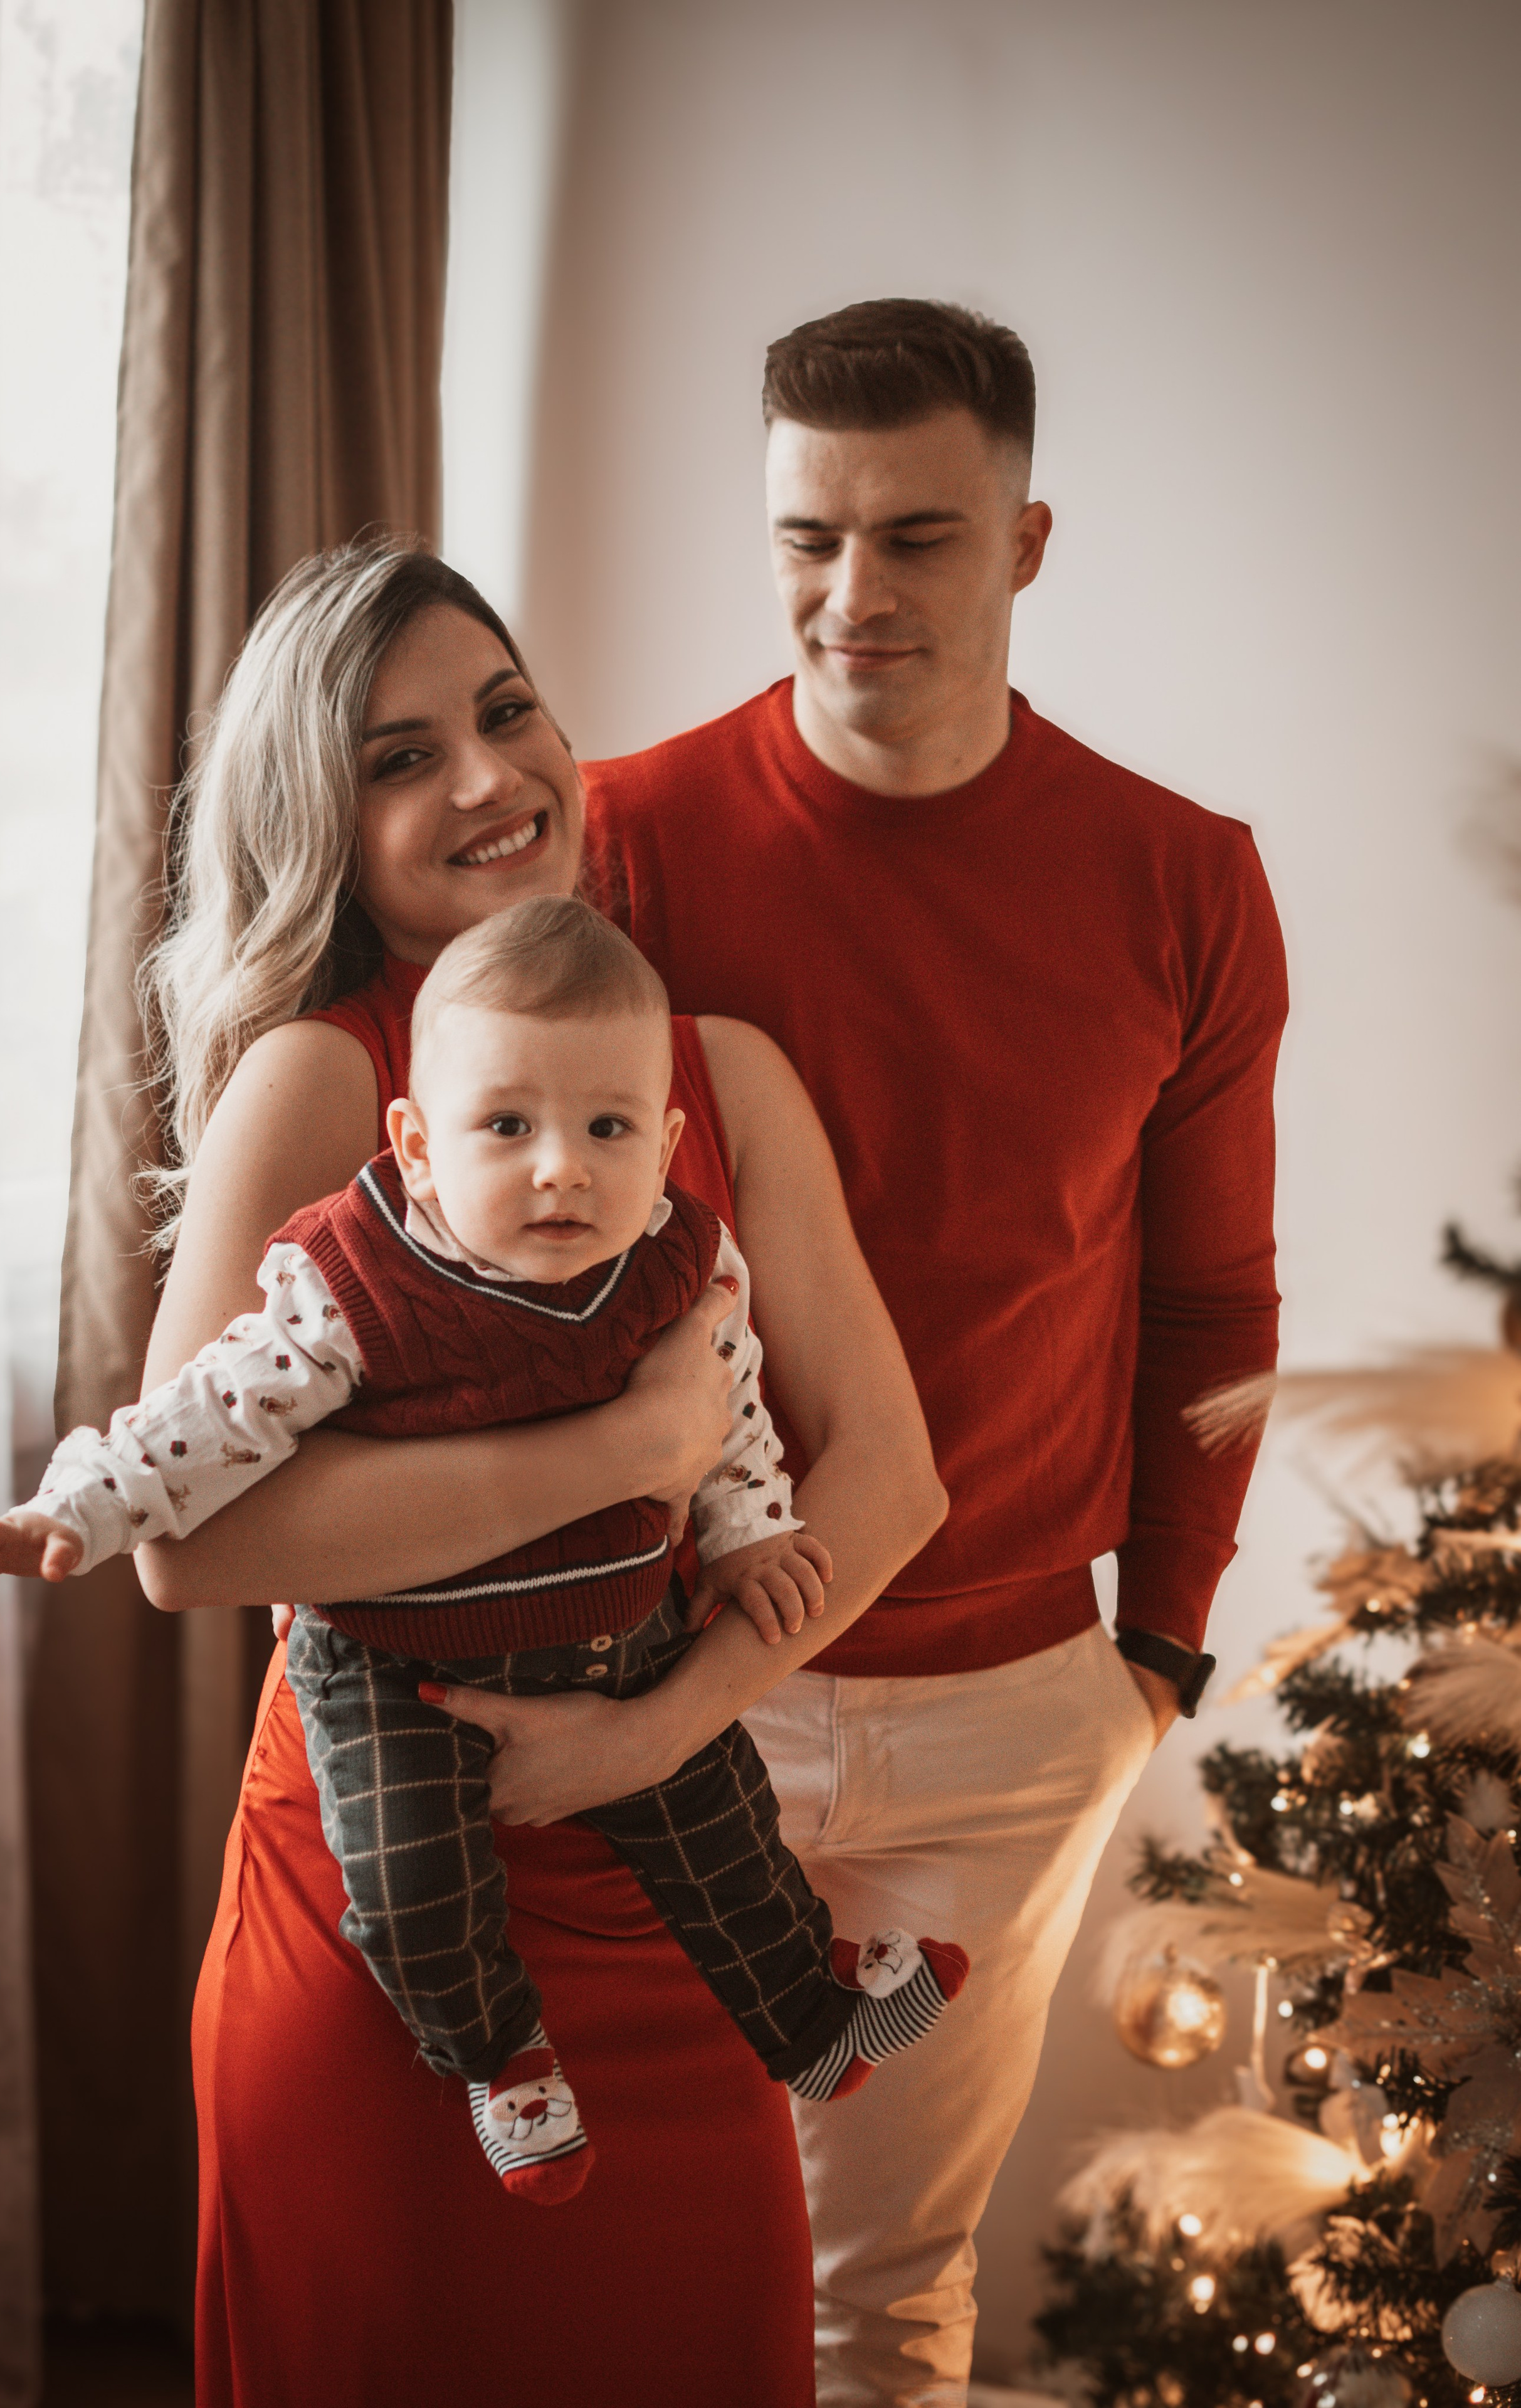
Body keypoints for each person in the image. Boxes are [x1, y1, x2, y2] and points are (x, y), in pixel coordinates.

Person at [91, 536, 947, 2407]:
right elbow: (187, 1550)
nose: (487, 779)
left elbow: (889, 1480)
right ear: (326, 822)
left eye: (503, 711)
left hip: (680, 1906)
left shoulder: (721, 1071)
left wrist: (668, 1726)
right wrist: (632, 1447)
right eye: (401, 757)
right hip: (383, 1928)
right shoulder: (318, 1083)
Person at [576, 298, 1288, 2403]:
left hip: (1007, 1713)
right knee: (620, 2257)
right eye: (808, 535)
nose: (851, 594)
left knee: (885, 2307)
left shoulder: (1187, 882)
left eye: (917, 538)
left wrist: (1156, 1648)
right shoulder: (626, 841)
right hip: (675, 1673)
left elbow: (1213, 1312)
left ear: (1029, 543)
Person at [0, 899, 966, 2205]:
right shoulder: (353, 1285)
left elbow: (734, 1406)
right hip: (395, 1667)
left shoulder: (672, 1263)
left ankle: (808, 2022)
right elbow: (207, 1416)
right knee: (413, 1884)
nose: (560, 1170)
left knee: (722, 1824)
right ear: (417, 1148)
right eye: (506, 1129)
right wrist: (71, 1513)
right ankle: (497, 2060)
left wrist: (747, 1532)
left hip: (618, 1636)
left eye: (607, 1130)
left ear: (666, 1144)